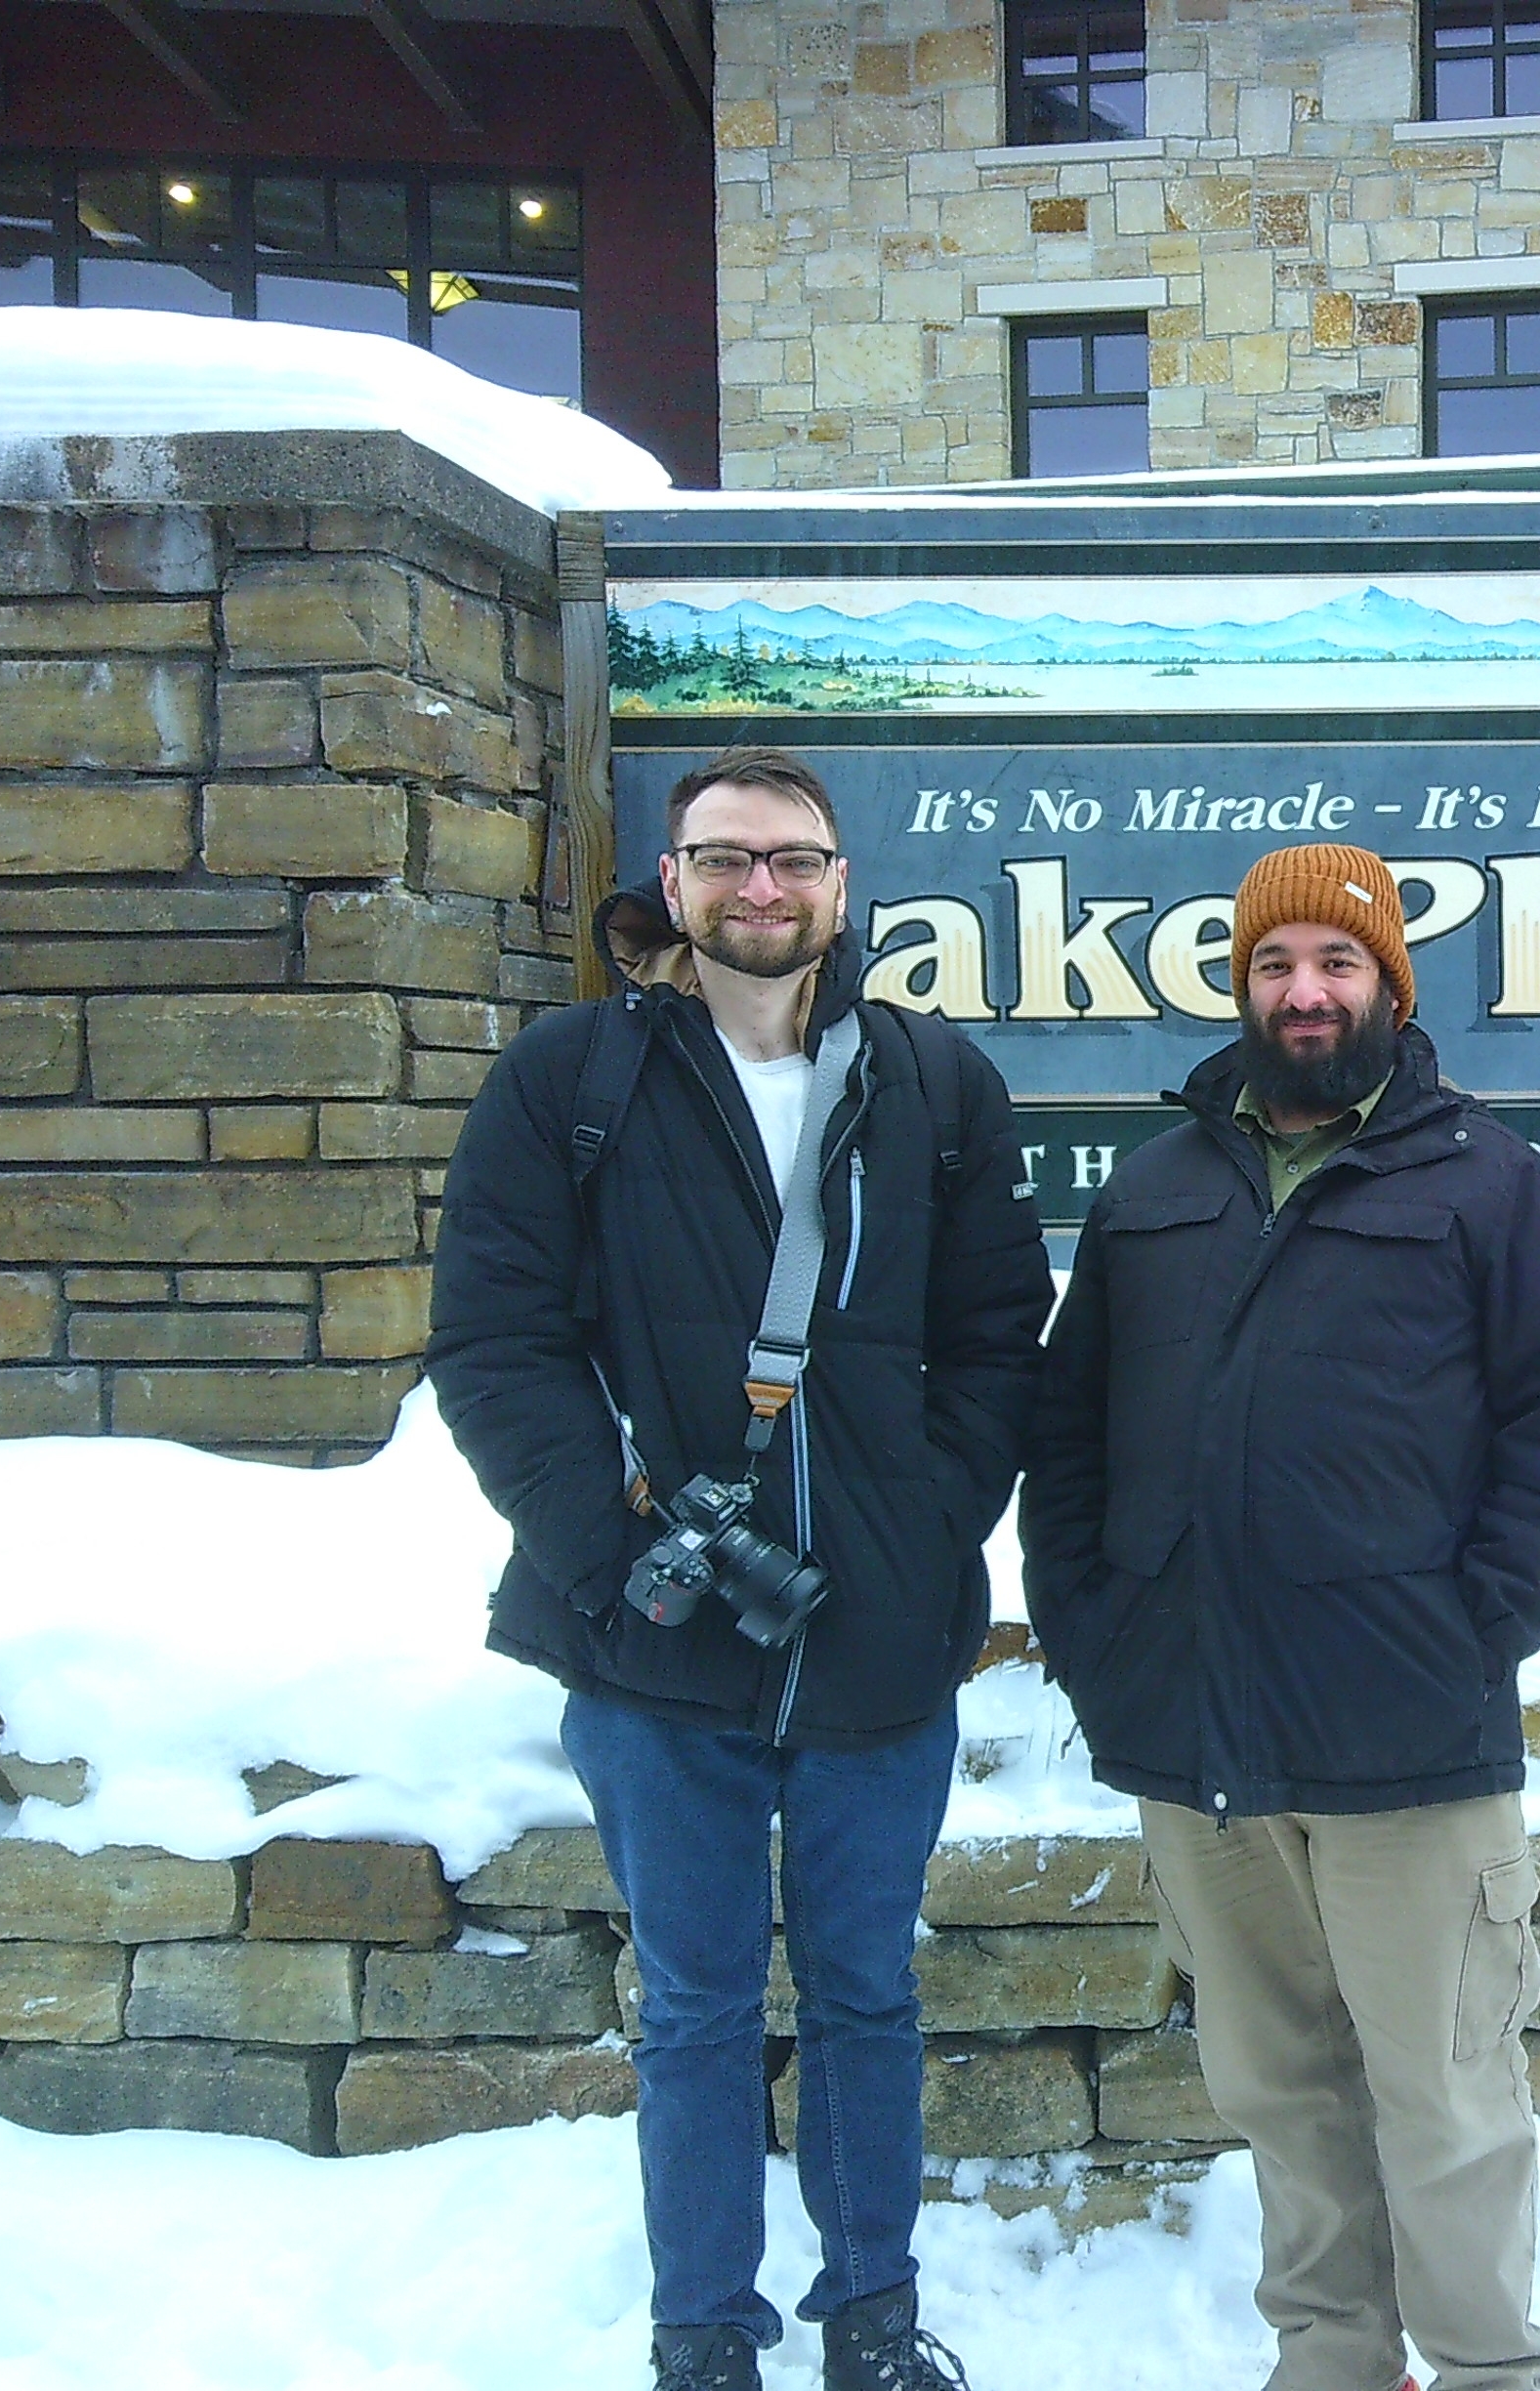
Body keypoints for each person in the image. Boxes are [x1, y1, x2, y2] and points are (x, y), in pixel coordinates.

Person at [427, 746, 1052, 2391]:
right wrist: (606, 1543)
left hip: (875, 1643)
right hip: (652, 1647)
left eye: (793, 861)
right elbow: (496, 1346)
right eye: (725, 859)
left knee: (865, 1997)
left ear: (844, 889)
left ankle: (872, 2321)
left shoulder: (937, 1086)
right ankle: (702, 2334)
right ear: (675, 883)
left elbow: (999, 1344)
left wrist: (920, 1534)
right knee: (696, 2008)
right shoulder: (569, 1081)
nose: (759, 889)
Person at [1020, 842, 1540, 2391]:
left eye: (1337, 965)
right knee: (1277, 2087)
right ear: (1242, 987)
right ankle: (1334, 2360)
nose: (1305, 993)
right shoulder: (1155, 1188)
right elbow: (1071, 1431)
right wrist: (1096, 1633)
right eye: (1276, 965)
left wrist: (1468, 1630)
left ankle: (1491, 2369)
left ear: (1387, 987)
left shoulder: (1490, 1181)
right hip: (1195, 1732)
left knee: (1444, 2095)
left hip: (1406, 1737)